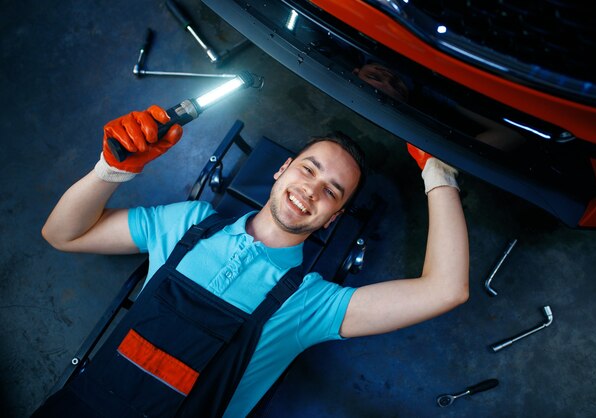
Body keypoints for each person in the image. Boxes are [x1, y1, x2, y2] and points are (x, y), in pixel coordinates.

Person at [36, 105, 469, 417]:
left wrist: (438, 173)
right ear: (282, 169)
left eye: (332, 192)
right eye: (309, 169)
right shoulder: (188, 224)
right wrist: (110, 170)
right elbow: (63, 234)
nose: (313, 190)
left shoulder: (309, 304)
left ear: (332, 219)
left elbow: (446, 289)